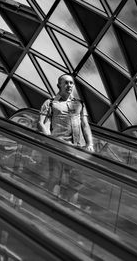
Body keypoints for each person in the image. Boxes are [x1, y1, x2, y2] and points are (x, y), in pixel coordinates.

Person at [37, 73, 94, 204]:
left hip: (76, 149)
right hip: (58, 147)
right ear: (59, 85)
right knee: (55, 179)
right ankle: (49, 207)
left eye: (71, 83)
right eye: (66, 83)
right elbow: (40, 123)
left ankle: (70, 210)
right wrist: (49, 141)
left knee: (74, 183)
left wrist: (89, 143)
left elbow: (85, 124)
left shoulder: (79, 104)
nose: (69, 85)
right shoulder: (51, 103)